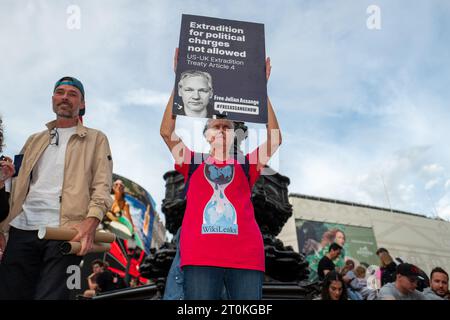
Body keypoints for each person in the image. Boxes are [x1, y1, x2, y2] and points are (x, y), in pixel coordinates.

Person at [160, 49, 281, 300]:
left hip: (246, 257)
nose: (223, 129)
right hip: (200, 256)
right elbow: (166, 132)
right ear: (207, 135)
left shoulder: (247, 165)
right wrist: (178, 83)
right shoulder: (192, 162)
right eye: (216, 126)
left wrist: (262, 91)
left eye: (228, 127)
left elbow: (275, 138)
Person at [0, 76, 113, 299]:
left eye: (72, 94)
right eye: (60, 92)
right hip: (21, 230)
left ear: (82, 104)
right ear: (53, 99)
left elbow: (102, 185)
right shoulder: (34, 140)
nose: (65, 98)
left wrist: (91, 223)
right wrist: (3, 228)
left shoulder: (96, 139)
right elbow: (17, 185)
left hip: (66, 232)